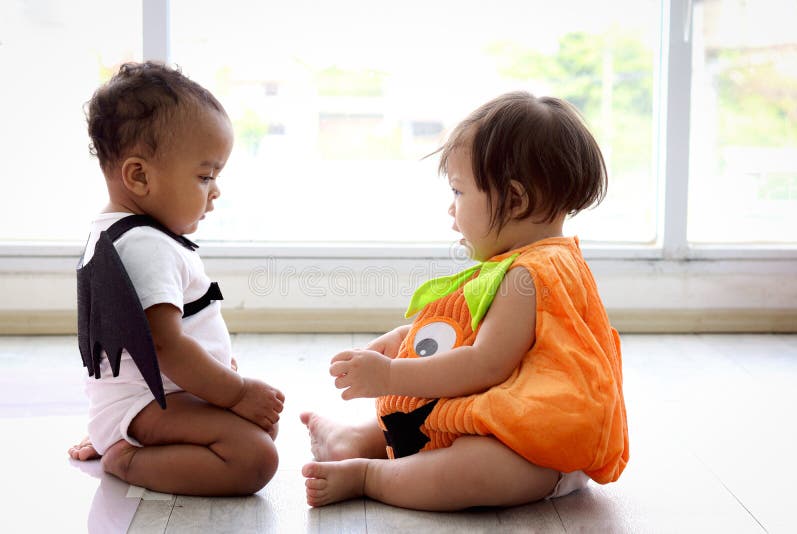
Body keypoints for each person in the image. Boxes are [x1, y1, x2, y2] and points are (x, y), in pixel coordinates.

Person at [301, 91, 629, 510]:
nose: (451, 211)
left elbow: (482, 364)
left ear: (514, 199)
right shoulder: (534, 261)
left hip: (542, 448)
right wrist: (406, 337)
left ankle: (369, 476)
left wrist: (391, 375)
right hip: (518, 416)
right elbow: (478, 331)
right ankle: (352, 439)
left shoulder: (530, 274)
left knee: (469, 467)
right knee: (429, 417)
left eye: (458, 192)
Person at [67, 62, 284, 496]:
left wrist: (218, 377)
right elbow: (165, 345)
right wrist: (235, 392)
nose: (215, 190)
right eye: (205, 176)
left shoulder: (121, 234)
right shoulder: (144, 246)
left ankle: (125, 435)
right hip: (146, 404)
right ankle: (126, 457)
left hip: (146, 400)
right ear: (140, 176)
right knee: (255, 458)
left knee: (260, 431)